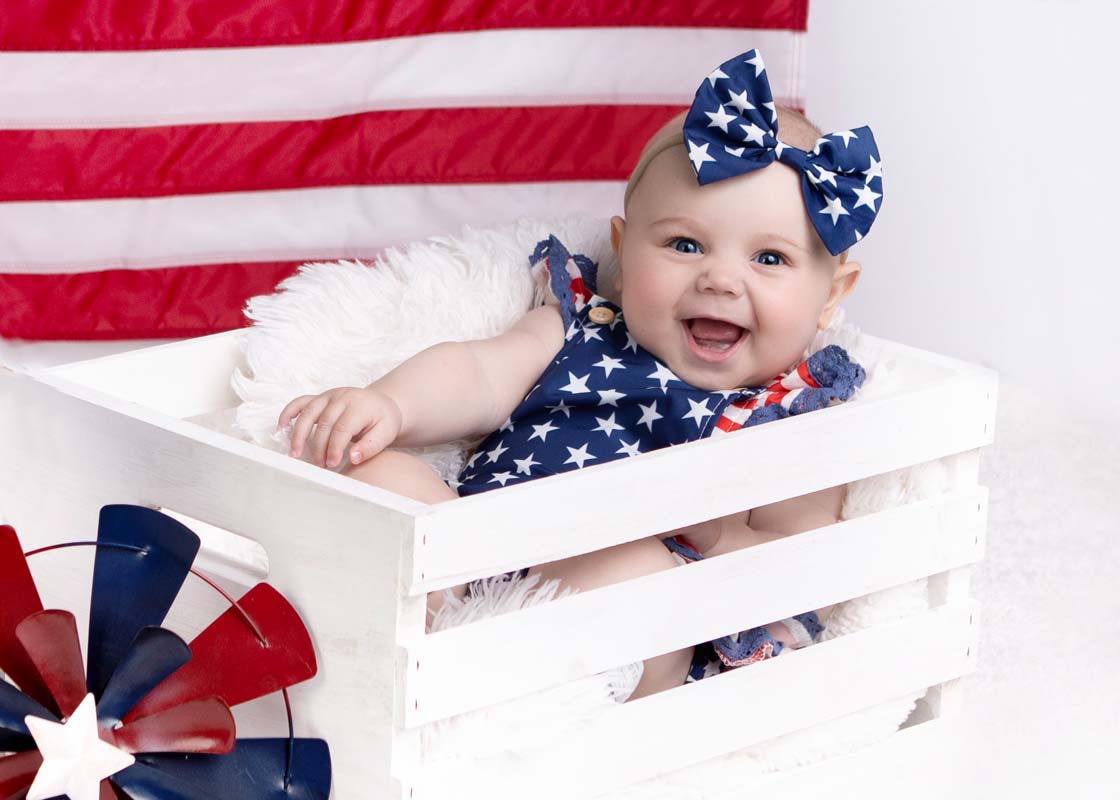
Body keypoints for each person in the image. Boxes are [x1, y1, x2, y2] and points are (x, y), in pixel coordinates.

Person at [277, 49, 883, 698]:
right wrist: (391, 404)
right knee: (375, 469)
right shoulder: (584, 327)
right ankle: (441, 660)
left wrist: (708, 527)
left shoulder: (792, 411)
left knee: (635, 573)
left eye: (769, 258)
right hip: (475, 567)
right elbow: (478, 372)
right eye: (684, 245)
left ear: (831, 295)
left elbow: (798, 562)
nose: (721, 279)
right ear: (623, 250)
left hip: (624, 629)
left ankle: (495, 696)